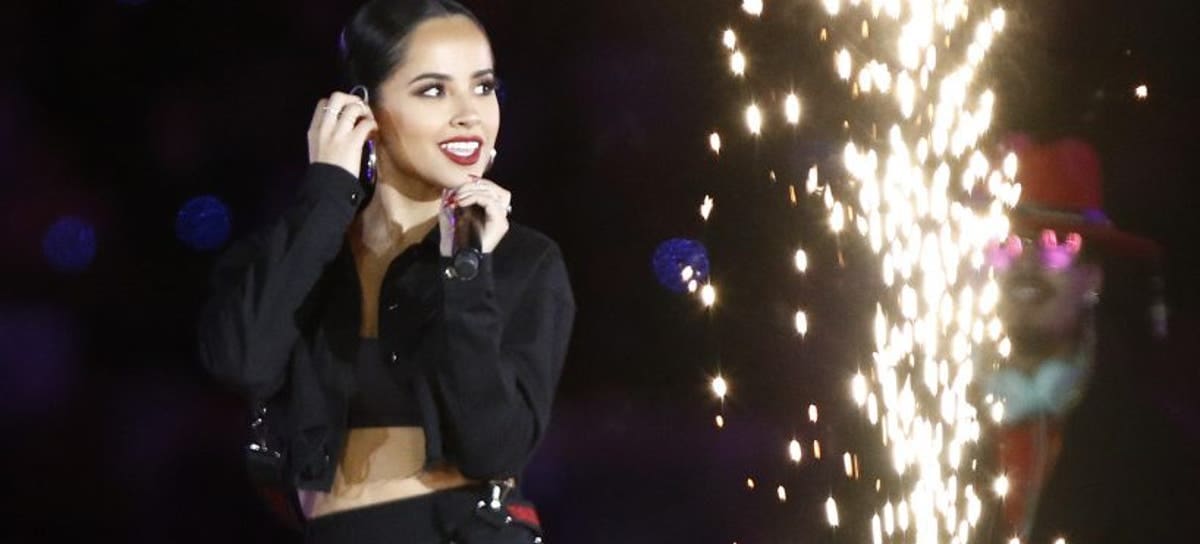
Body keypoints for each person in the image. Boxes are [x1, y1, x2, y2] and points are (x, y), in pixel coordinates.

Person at [197, 1, 575, 542]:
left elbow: (493, 449)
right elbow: (242, 362)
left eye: (484, 86)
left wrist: (465, 272)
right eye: (433, 90)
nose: (469, 114)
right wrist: (328, 191)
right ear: (362, 109)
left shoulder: (522, 261)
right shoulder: (303, 250)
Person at [976, 136, 1195, 543]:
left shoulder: (1159, 450)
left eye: (1057, 243)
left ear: (1092, 278)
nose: (1026, 263)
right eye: (1005, 242)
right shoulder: (911, 414)